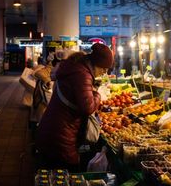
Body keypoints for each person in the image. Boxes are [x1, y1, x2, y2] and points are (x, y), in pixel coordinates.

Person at [36, 43, 114, 171]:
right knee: (65, 175)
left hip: (54, 129)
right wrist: (97, 94)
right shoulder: (82, 74)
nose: (104, 72)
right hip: (61, 136)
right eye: (103, 68)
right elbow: (87, 108)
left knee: (54, 175)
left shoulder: (77, 68)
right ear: (95, 64)